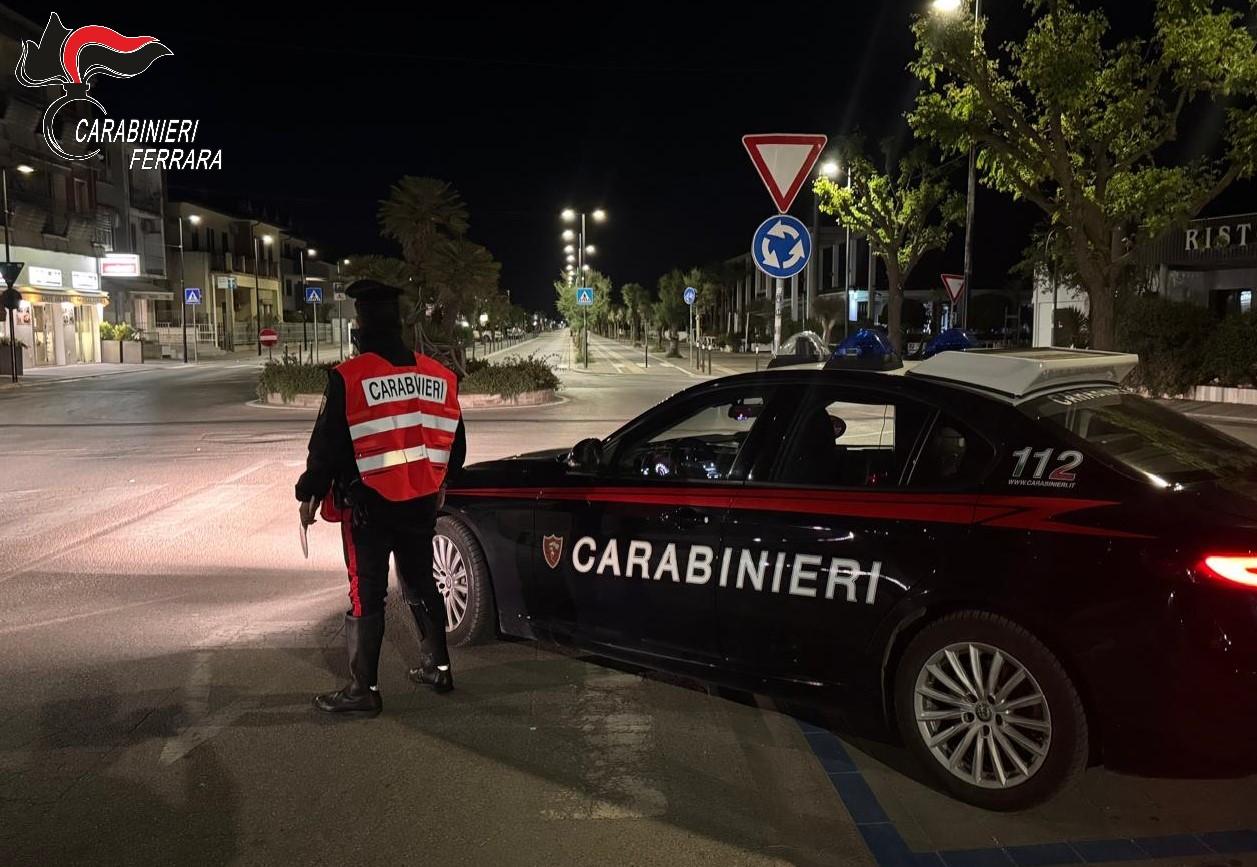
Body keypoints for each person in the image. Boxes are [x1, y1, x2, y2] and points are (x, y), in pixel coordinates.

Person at [296, 279, 467, 717]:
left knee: (365, 593)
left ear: (361, 326)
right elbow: (456, 446)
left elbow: (328, 445)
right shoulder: (438, 377)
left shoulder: (350, 377)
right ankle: (439, 668)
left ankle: (363, 689)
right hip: (421, 503)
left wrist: (310, 493)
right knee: (421, 582)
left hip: (368, 505)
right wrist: (437, 480)